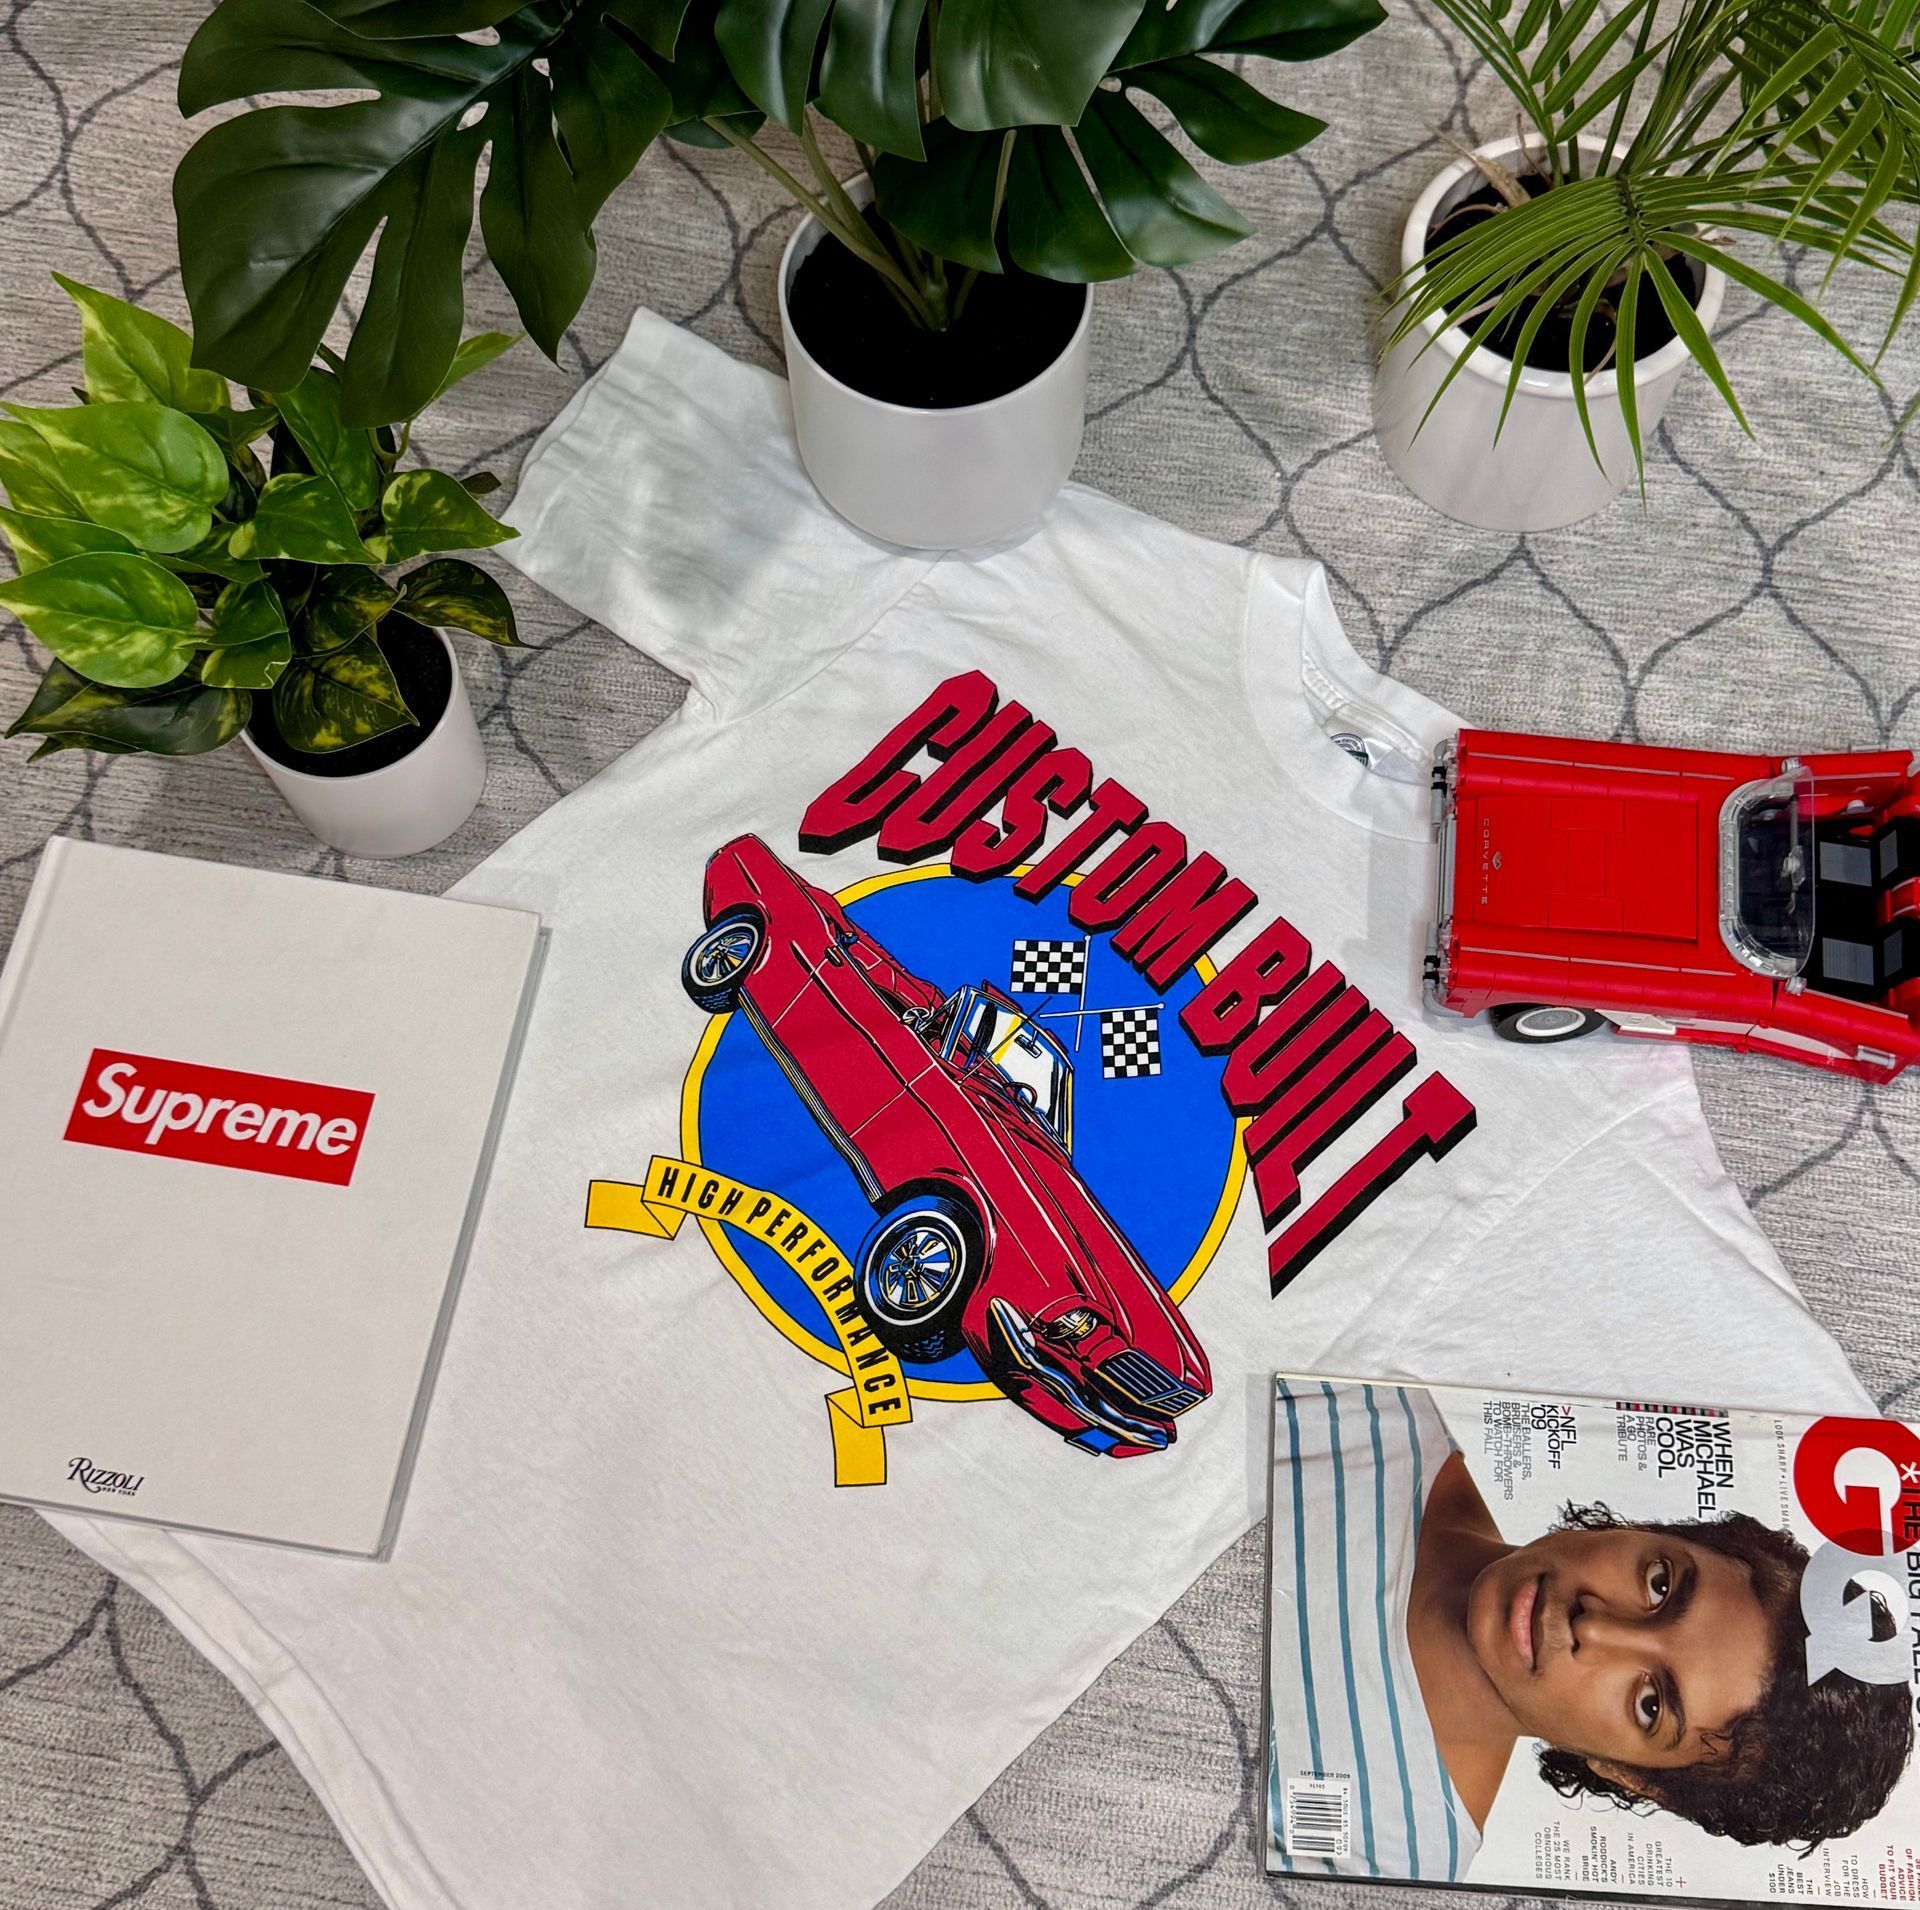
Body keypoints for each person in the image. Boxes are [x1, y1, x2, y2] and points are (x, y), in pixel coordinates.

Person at [1266, 1379, 1913, 1883]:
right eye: (1659, 1584)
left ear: (1630, 1776)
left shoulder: (1387, 1856)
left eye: (1650, 1704)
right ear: (1654, 1530)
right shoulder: (1364, 1406)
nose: (1593, 1628)